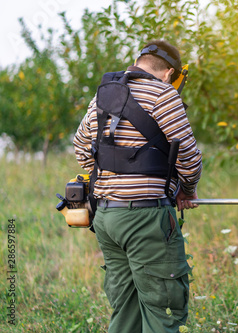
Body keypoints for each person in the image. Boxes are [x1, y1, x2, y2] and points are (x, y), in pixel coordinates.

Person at [73, 40, 202, 333]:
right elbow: (189, 156)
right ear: (169, 72)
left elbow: (81, 147)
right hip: (146, 221)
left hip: (106, 219)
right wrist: (188, 189)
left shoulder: (103, 96)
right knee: (162, 312)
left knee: (126, 311)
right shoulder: (164, 94)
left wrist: (113, 178)